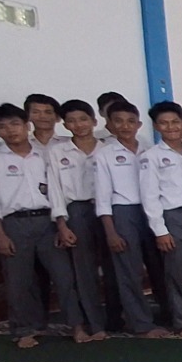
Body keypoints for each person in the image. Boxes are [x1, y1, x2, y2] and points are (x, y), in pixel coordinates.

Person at [0, 103, 86, 348]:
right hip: (13, 224)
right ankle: (23, 330)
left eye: (15, 124)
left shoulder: (45, 154)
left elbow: (56, 191)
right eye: (2, 127)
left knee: (64, 276)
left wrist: (61, 225)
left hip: (48, 221)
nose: (10, 130)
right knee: (18, 281)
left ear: (26, 125)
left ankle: (76, 326)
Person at [94, 100, 168, 336]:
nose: (125, 126)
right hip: (123, 212)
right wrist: (111, 231)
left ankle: (167, 315)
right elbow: (102, 197)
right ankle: (141, 323)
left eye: (130, 121)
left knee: (159, 266)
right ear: (110, 124)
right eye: (119, 121)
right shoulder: (104, 154)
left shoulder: (148, 148)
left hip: (153, 210)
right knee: (129, 271)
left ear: (138, 124)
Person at [140, 102, 182, 336]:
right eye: (164, 123)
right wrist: (160, 230)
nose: (171, 127)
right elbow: (149, 196)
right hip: (173, 217)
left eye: (175, 122)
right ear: (157, 127)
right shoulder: (152, 157)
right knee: (175, 272)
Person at [45, 100, 108, 340]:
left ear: (94, 121)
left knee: (113, 270)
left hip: (107, 212)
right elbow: (55, 190)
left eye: (83, 119)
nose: (78, 125)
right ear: (64, 124)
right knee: (84, 272)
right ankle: (92, 324)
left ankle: (114, 319)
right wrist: (61, 223)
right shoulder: (58, 152)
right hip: (77, 212)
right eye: (71, 120)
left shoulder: (107, 149)